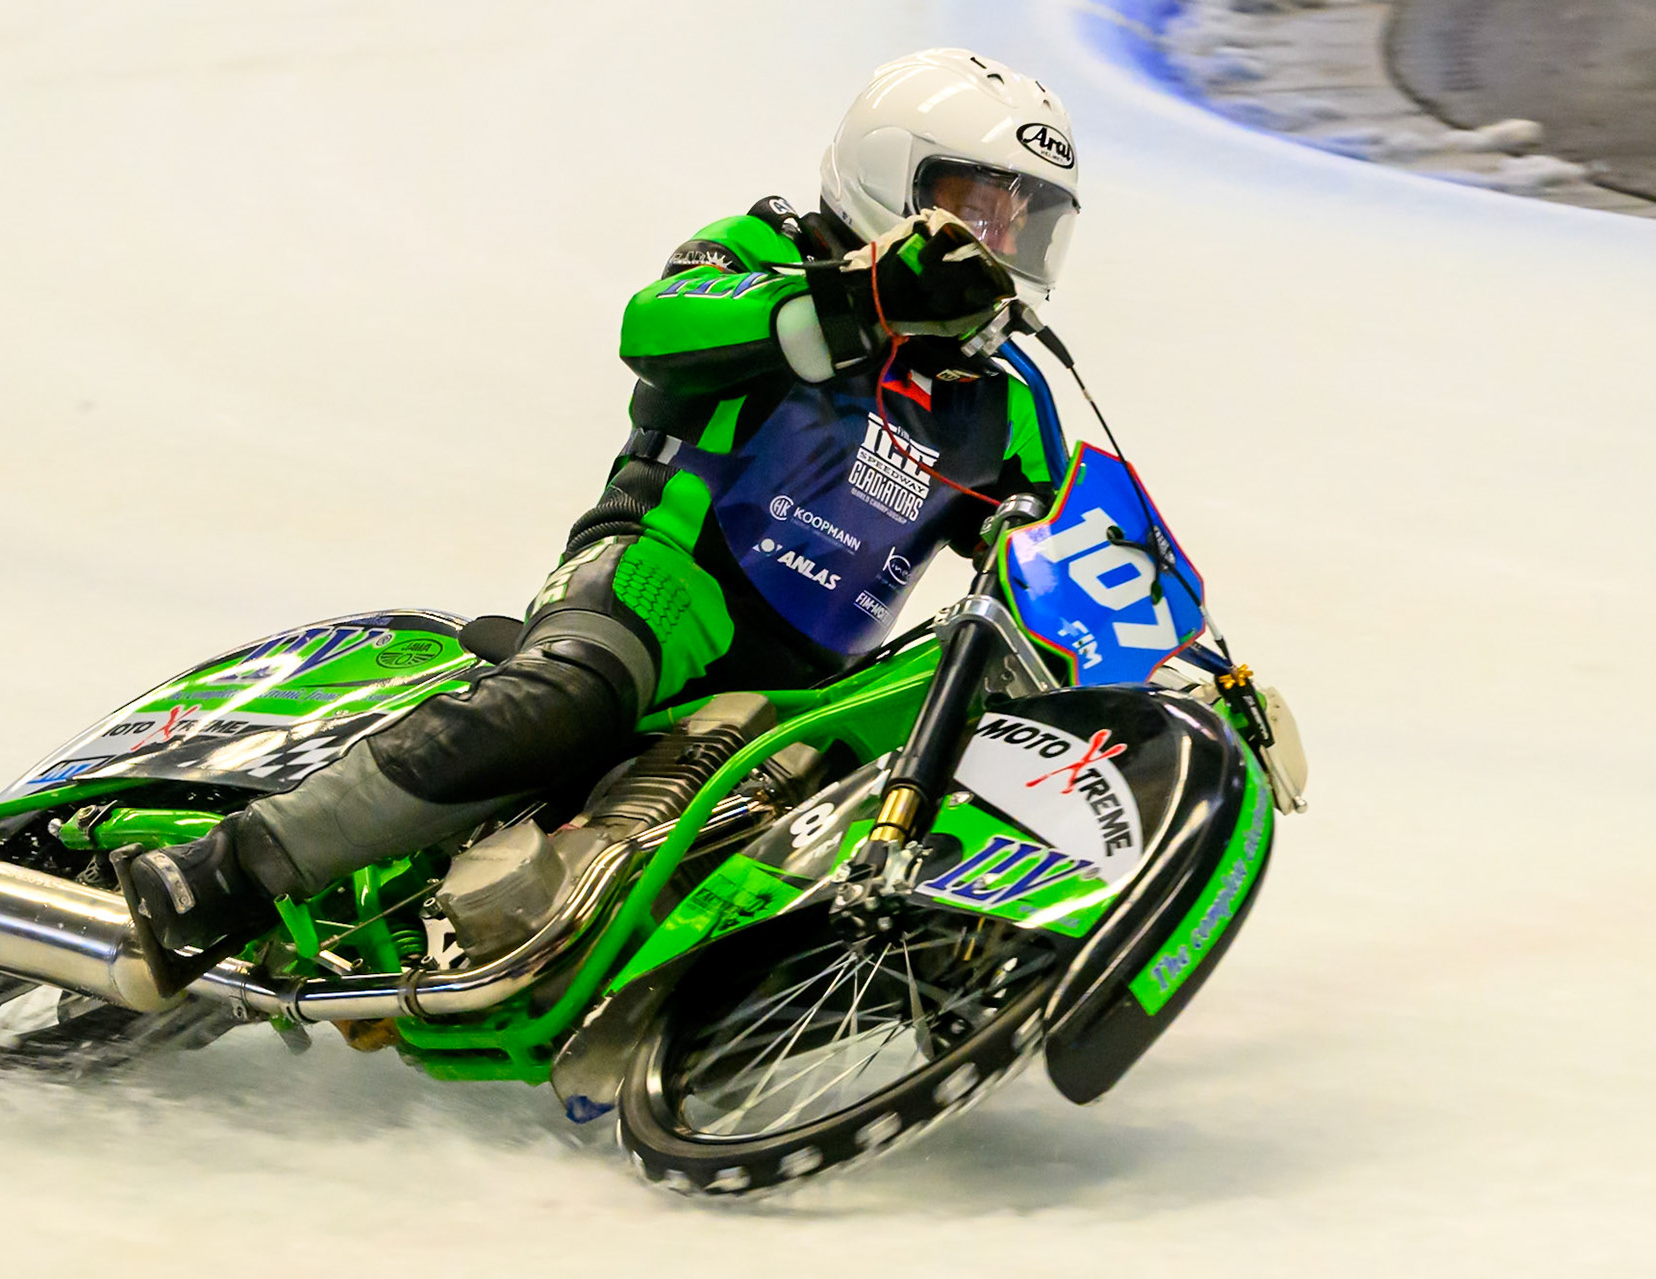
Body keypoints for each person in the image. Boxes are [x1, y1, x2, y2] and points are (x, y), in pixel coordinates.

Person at [126, 47, 1084, 965]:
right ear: (893, 177)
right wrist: (866, 295)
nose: (999, 242)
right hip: (662, 584)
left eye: (1024, 222)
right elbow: (657, 329)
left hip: (811, 681)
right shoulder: (763, 249)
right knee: (573, 699)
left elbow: (1060, 545)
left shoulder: (1009, 400)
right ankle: (225, 871)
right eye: (975, 207)